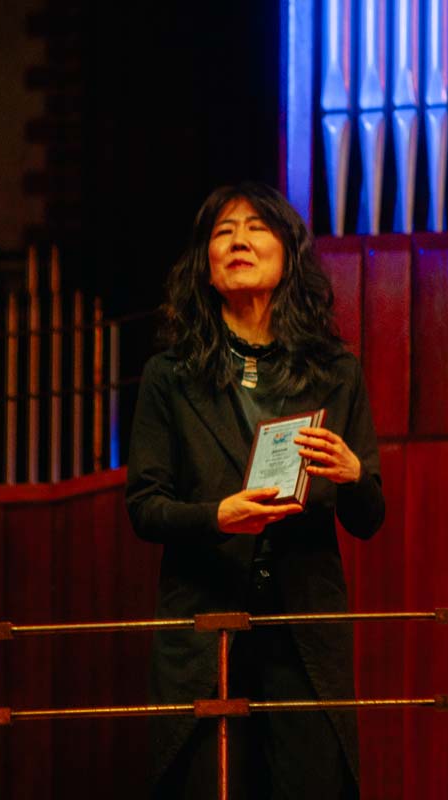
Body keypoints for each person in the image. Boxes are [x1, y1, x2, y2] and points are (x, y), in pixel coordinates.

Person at [125, 181, 385, 798]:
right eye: (223, 231)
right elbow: (144, 507)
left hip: (304, 627)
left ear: (289, 255)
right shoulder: (169, 375)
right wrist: (218, 516)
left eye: (255, 228)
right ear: (206, 266)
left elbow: (368, 517)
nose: (238, 240)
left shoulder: (335, 370)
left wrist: (353, 475)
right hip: (206, 622)